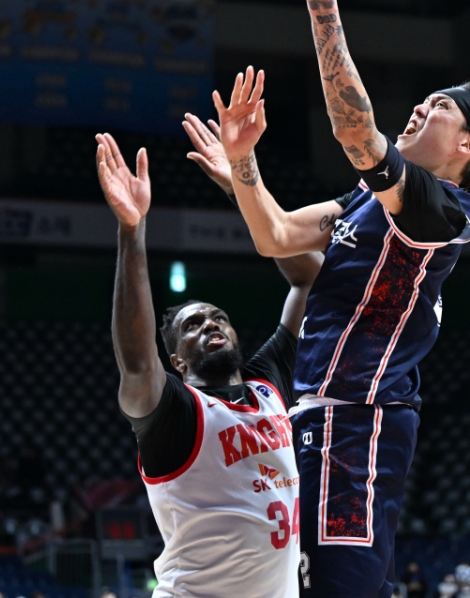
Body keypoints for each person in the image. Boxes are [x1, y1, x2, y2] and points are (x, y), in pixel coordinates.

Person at [213, 0, 470, 598]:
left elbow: (357, 134)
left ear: (468, 146)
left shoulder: (442, 209)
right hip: (318, 414)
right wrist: (242, 164)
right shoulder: (363, 201)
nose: (421, 108)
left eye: (440, 107)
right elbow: (276, 235)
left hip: (359, 422)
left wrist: (323, 2)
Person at [95, 127, 323, 598]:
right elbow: (138, 362)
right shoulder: (175, 415)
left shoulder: (268, 382)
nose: (211, 324)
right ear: (176, 359)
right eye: (194, 324)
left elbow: (309, 283)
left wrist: (239, 186)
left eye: (218, 317)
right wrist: (131, 230)